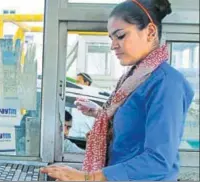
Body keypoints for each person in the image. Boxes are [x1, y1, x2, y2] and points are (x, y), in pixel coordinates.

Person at [40, 0, 194, 181]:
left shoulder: (167, 84)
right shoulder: (134, 77)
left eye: (120, 36)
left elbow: (158, 161)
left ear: (150, 32)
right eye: (111, 38)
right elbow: (133, 128)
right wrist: (100, 113)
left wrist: (88, 178)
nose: (113, 45)